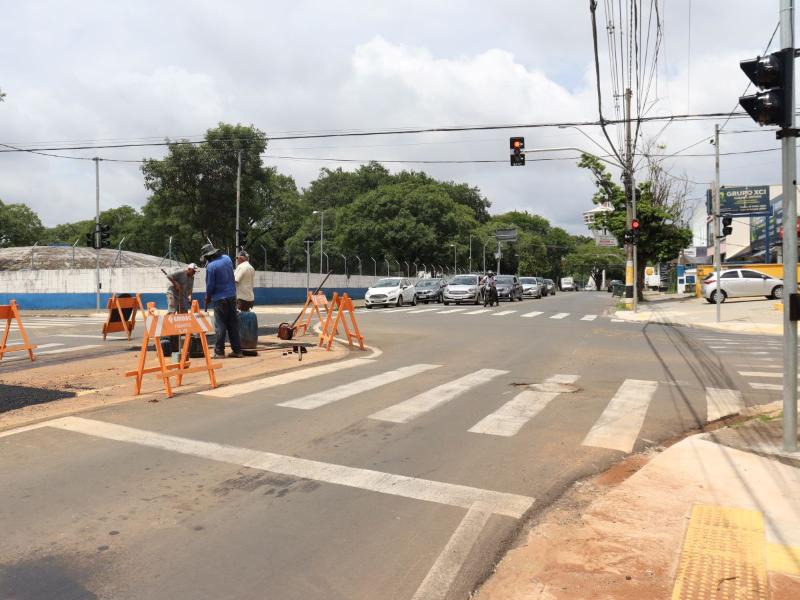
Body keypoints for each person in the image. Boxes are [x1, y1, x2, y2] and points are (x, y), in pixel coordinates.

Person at [201, 242, 243, 359]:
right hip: (232, 296)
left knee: (220, 325)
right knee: (233, 324)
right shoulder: (227, 259)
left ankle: (219, 352)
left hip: (220, 299)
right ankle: (237, 351)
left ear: (209, 257)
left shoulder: (211, 267)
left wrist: (207, 296)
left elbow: (210, 285)